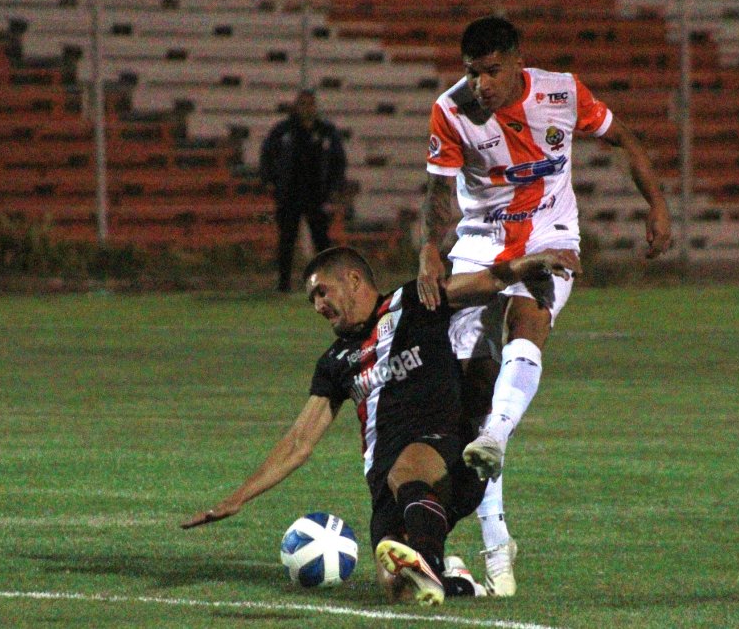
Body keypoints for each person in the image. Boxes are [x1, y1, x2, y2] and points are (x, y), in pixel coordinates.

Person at [416, 16, 673, 596]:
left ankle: (500, 436)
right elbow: (438, 193)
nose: (480, 83)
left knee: (527, 324)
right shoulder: (450, 110)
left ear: (516, 61)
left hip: (550, 236)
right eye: (471, 72)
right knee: (471, 403)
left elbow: (623, 138)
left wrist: (656, 206)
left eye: (491, 71)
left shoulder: (561, 91)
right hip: (479, 244)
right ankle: (495, 537)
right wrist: (431, 249)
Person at [181, 245, 581, 607]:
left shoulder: (414, 301)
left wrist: (535, 261)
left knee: (409, 469)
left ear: (353, 280)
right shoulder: (335, 362)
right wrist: (238, 498)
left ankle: (428, 559)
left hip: (448, 451)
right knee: (398, 590)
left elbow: (489, 279)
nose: (318, 305)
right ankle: (459, 581)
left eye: (322, 292)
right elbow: (299, 442)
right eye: (312, 300)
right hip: (386, 480)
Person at [259, 89, 347, 292]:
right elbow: (267, 155)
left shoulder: (325, 131)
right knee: (287, 240)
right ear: (296, 107)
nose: (307, 109)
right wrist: (269, 180)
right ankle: (283, 285)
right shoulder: (284, 131)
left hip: (317, 195)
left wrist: (334, 187)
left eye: (310, 105)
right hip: (289, 194)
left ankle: (328, 284)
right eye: (303, 104)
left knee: (322, 241)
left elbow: (338, 161)